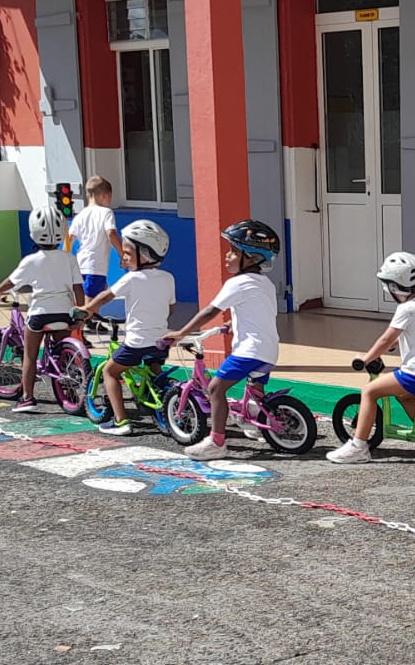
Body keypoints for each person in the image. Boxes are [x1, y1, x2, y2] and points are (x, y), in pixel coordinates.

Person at [160, 219, 283, 460]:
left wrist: (181, 332)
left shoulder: (237, 282)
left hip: (249, 350)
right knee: (254, 390)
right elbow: (259, 312)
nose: (227, 256)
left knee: (216, 388)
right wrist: (232, 325)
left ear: (251, 258)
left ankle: (216, 441)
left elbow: (210, 311)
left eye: (234, 251)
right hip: (268, 350)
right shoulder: (265, 284)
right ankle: (257, 423)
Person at [326, 252, 415, 465]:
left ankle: (358, 447)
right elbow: (401, 338)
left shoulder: (406, 308)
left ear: (395, 286)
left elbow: (386, 340)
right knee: (403, 395)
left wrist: (366, 359)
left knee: (369, 391)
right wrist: (391, 347)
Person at [0, 206, 85, 413]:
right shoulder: (69, 259)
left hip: (39, 316)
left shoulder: (30, 261)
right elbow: (78, 288)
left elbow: (10, 282)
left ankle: (27, 398)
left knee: (29, 356)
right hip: (64, 313)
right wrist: (80, 312)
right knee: (63, 353)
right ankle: (70, 393)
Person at [81, 220, 176, 435]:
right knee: (154, 370)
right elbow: (170, 310)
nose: (123, 258)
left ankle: (121, 421)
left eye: (127, 253)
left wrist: (88, 308)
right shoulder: (168, 278)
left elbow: (106, 296)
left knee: (110, 371)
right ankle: (159, 403)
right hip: (162, 339)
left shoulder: (131, 279)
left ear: (145, 253)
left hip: (137, 343)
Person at [66, 176, 120, 308]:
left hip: (80, 265)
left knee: (84, 299)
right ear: (105, 195)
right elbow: (111, 233)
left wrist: (64, 256)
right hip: (95, 266)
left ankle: (88, 323)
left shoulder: (80, 215)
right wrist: (122, 252)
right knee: (89, 305)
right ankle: (81, 326)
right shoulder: (106, 213)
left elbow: (69, 238)